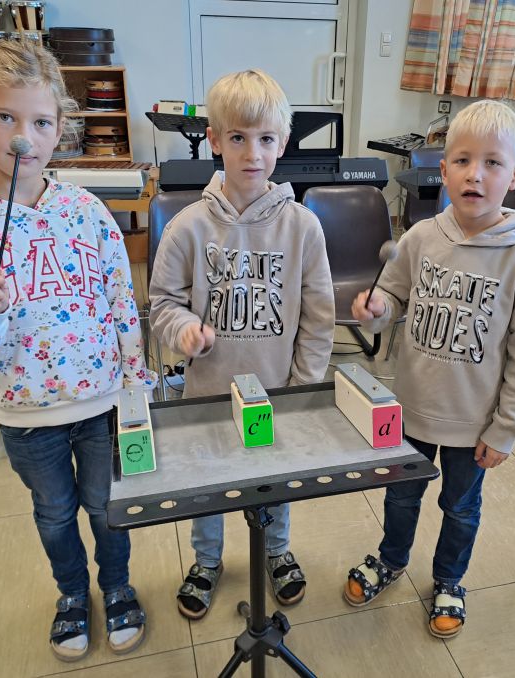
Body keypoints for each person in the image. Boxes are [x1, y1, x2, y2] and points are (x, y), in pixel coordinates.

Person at [0, 40, 156, 661]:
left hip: (101, 401)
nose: (25, 137)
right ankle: (72, 593)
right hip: (26, 414)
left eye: (42, 122)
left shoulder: (86, 210)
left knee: (107, 507)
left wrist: (135, 384)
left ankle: (117, 585)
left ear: (60, 128)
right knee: (54, 514)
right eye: (6, 118)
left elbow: (120, 300)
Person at [344, 99, 515, 638]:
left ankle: (448, 580)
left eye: (492, 163)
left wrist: (506, 428)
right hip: (412, 408)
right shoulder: (420, 237)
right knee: (400, 496)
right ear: (443, 170)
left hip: (475, 422)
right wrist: (376, 311)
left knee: (460, 508)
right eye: (462, 160)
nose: (474, 174)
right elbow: (392, 300)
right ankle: (391, 559)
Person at [149, 69, 335, 620]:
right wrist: (183, 329)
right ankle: (206, 560)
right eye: (237, 137)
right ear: (214, 139)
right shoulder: (186, 227)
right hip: (207, 392)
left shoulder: (303, 228)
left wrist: (304, 386)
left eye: (265, 139)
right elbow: (163, 303)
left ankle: (277, 551)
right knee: (206, 484)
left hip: (276, 390)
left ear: (283, 143)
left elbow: (319, 317)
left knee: (273, 478)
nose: (252, 153)